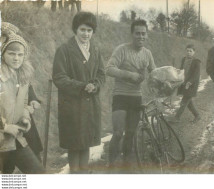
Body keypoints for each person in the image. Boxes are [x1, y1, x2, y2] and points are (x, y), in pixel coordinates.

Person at [52, 12, 105, 174]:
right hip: (72, 106)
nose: (86, 34)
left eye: (89, 30)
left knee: (86, 142)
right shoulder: (64, 50)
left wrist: (95, 85)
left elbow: (101, 74)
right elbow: (59, 77)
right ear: (76, 29)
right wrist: (82, 86)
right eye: (82, 29)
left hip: (90, 105)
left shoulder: (95, 50)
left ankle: (83, 175)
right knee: (74, 144)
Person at [106, 19, 156, 170]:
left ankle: (126, 166)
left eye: (143, 34)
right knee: (118, 133)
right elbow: (109, 69)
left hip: (136, 97)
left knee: (131, 133)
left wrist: (165, 80)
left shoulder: (147, 54)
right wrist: (129, 75)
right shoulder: (122, 50)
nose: (140, 37)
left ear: (146, 35)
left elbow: (154, 73)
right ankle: (111, 165)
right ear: (132, 34)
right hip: (120, 96)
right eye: (137, 34)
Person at [1, 22, 43, 174]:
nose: (16, 58)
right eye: (11, 53)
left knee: (38, 173)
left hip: (15, 138)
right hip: (3, 136)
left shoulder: (22, 76)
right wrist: (5, 127)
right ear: (3, 53)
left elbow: (23, 103)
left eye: (20, 54)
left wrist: (25, 117)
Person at [172, 44, 201, 123]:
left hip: (191, 85)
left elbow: (196, 75)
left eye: (190, 51)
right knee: (188, 101)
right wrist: (177, 73)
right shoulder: (184, 59)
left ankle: (177, 118)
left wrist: (190, 82)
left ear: (194, 52)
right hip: (184, 83)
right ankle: (197, 115)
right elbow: (182, 70)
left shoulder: (196, 62)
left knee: (184, 102)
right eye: (187, 51)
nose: (188, 52)